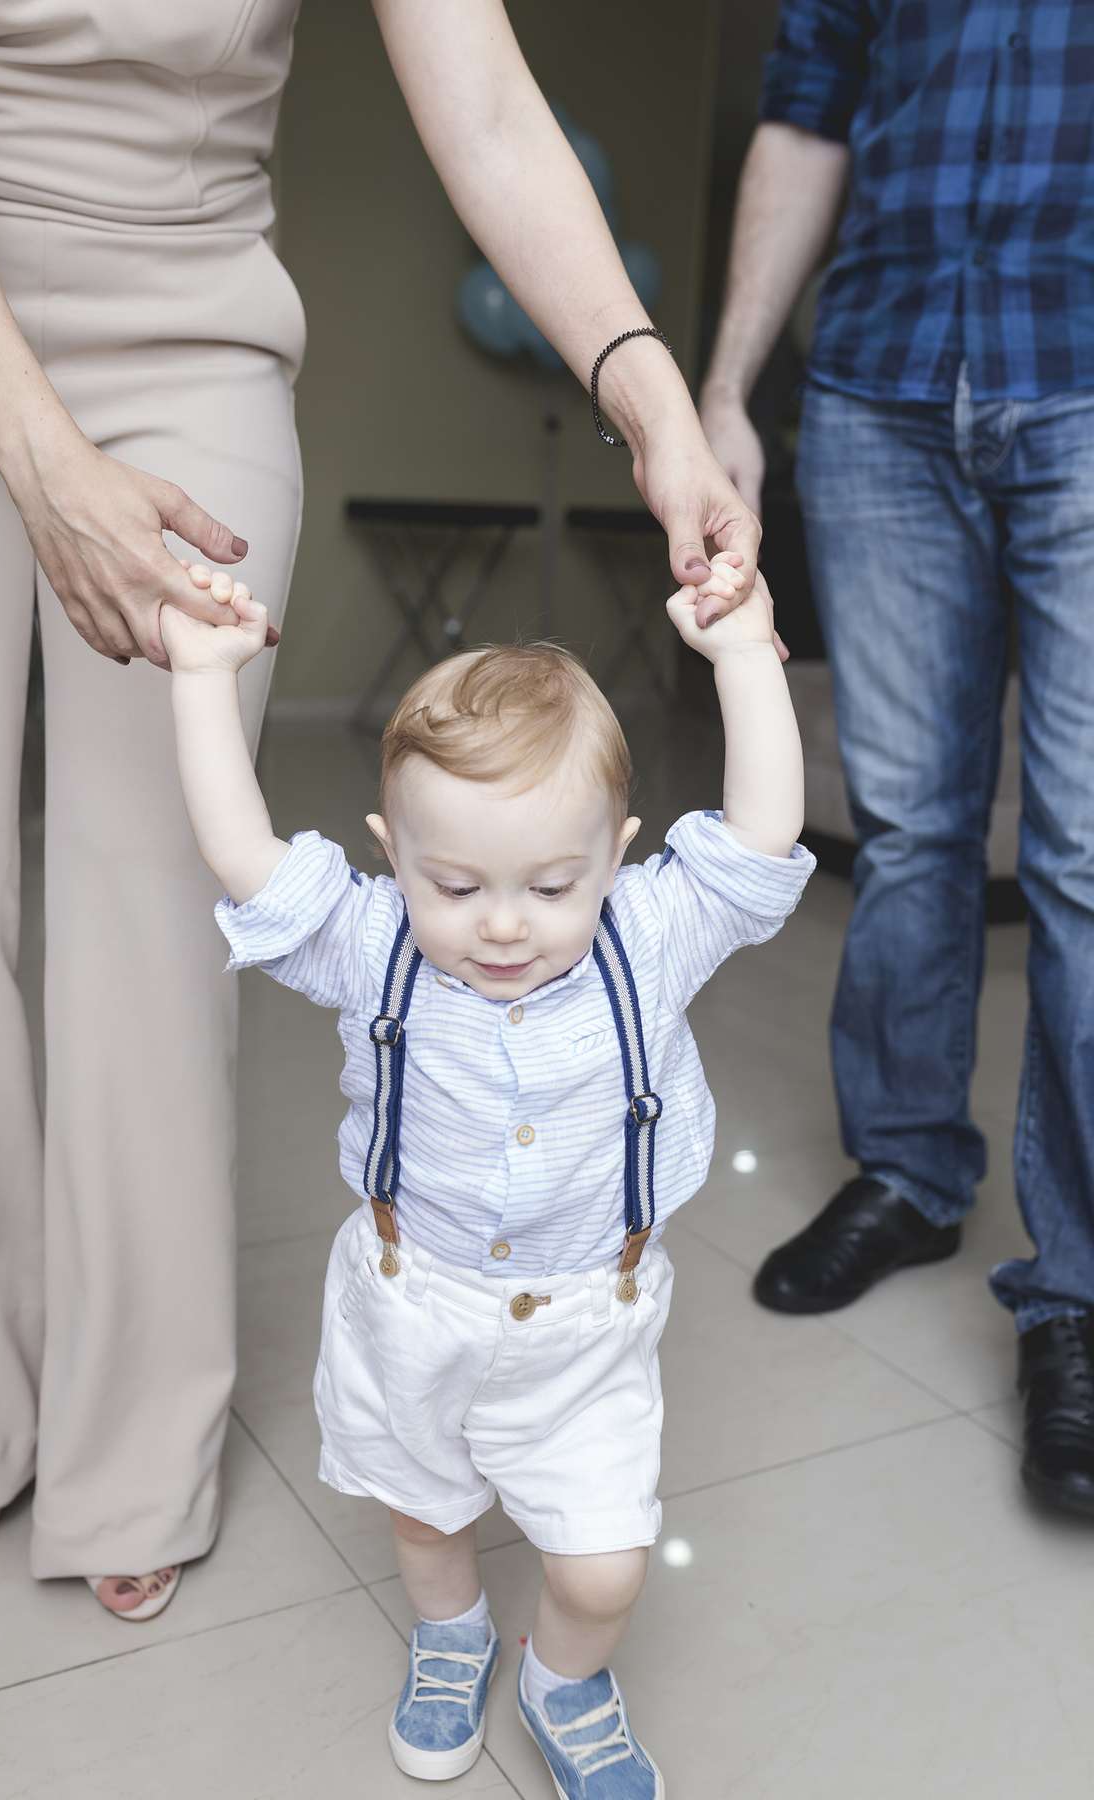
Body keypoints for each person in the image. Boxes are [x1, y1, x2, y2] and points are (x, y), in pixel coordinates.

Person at [0, 1, 764, 1614]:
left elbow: (490, 110)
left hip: (188, 339)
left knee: (151, 885)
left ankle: (131, 1444)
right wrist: (41, 460)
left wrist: (647, 396)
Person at [158, 548, 810, 1793]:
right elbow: (242, 854)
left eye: (552, 884)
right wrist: (203, 680)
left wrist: (736, 657)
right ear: (390, 852)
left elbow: (763, 830)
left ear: (615, 856)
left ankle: (565, 1679)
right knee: (428, 1517)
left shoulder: (655, 933)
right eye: (453, 883)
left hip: (588, 1326)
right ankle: (452, 1636)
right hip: (415, 1309)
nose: (502, 923)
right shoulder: (368, 942)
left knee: (603, 1564)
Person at [699, 0, 1094, 1517]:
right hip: (877, 392)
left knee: (1076, 856)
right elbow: (807, 112)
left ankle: (1078, 1294)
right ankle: (912, 1173)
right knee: (914, 830)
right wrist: (731, 385)